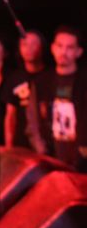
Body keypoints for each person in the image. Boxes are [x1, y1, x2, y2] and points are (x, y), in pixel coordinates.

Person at [35, 26, 87, 169]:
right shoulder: (42, 81)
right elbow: (33, 119)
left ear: (79, 52)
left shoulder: (83, 81)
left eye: (70, 47)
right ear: (52, 48)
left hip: (81, 161)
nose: (63, 52)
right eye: (60, 46)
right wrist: (41, 150)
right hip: (50, 157)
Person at [3, 30, 47, 153]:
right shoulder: (14, 78)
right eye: (24, 44)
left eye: (34, 44)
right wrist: (9, 146)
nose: (29, 49)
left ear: (42, 47)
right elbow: (10, 115)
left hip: (46, 144)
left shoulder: (50, 76)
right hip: (21, 143)